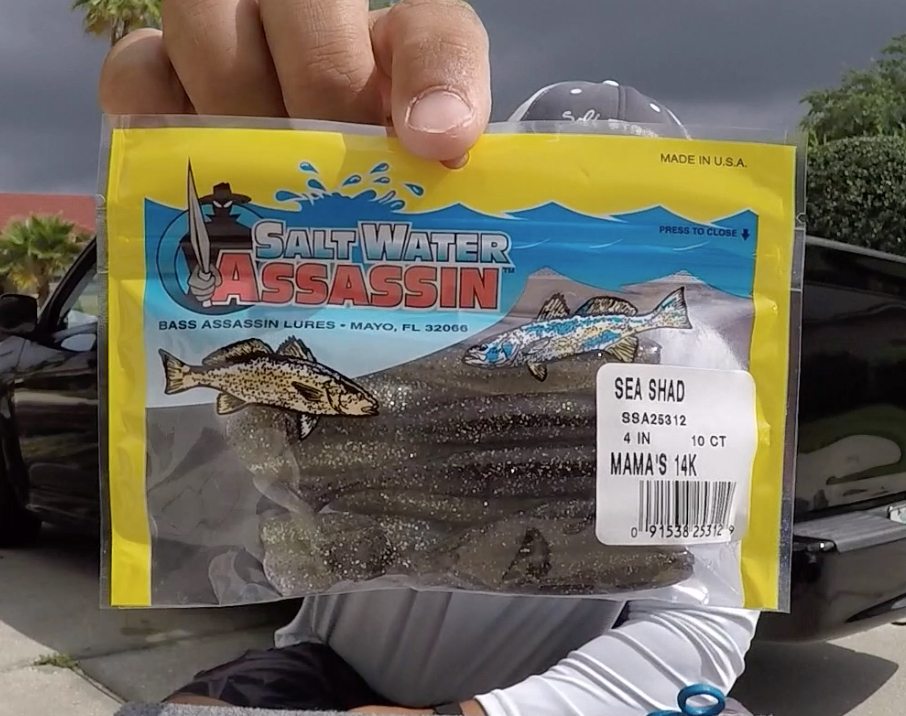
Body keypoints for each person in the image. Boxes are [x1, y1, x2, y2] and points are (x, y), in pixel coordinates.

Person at [99, 2, 756, 714]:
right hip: (323, 662)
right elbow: (251, 463)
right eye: (563, 190)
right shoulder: (422, 299)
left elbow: (702, 623)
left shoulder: (693, 359)